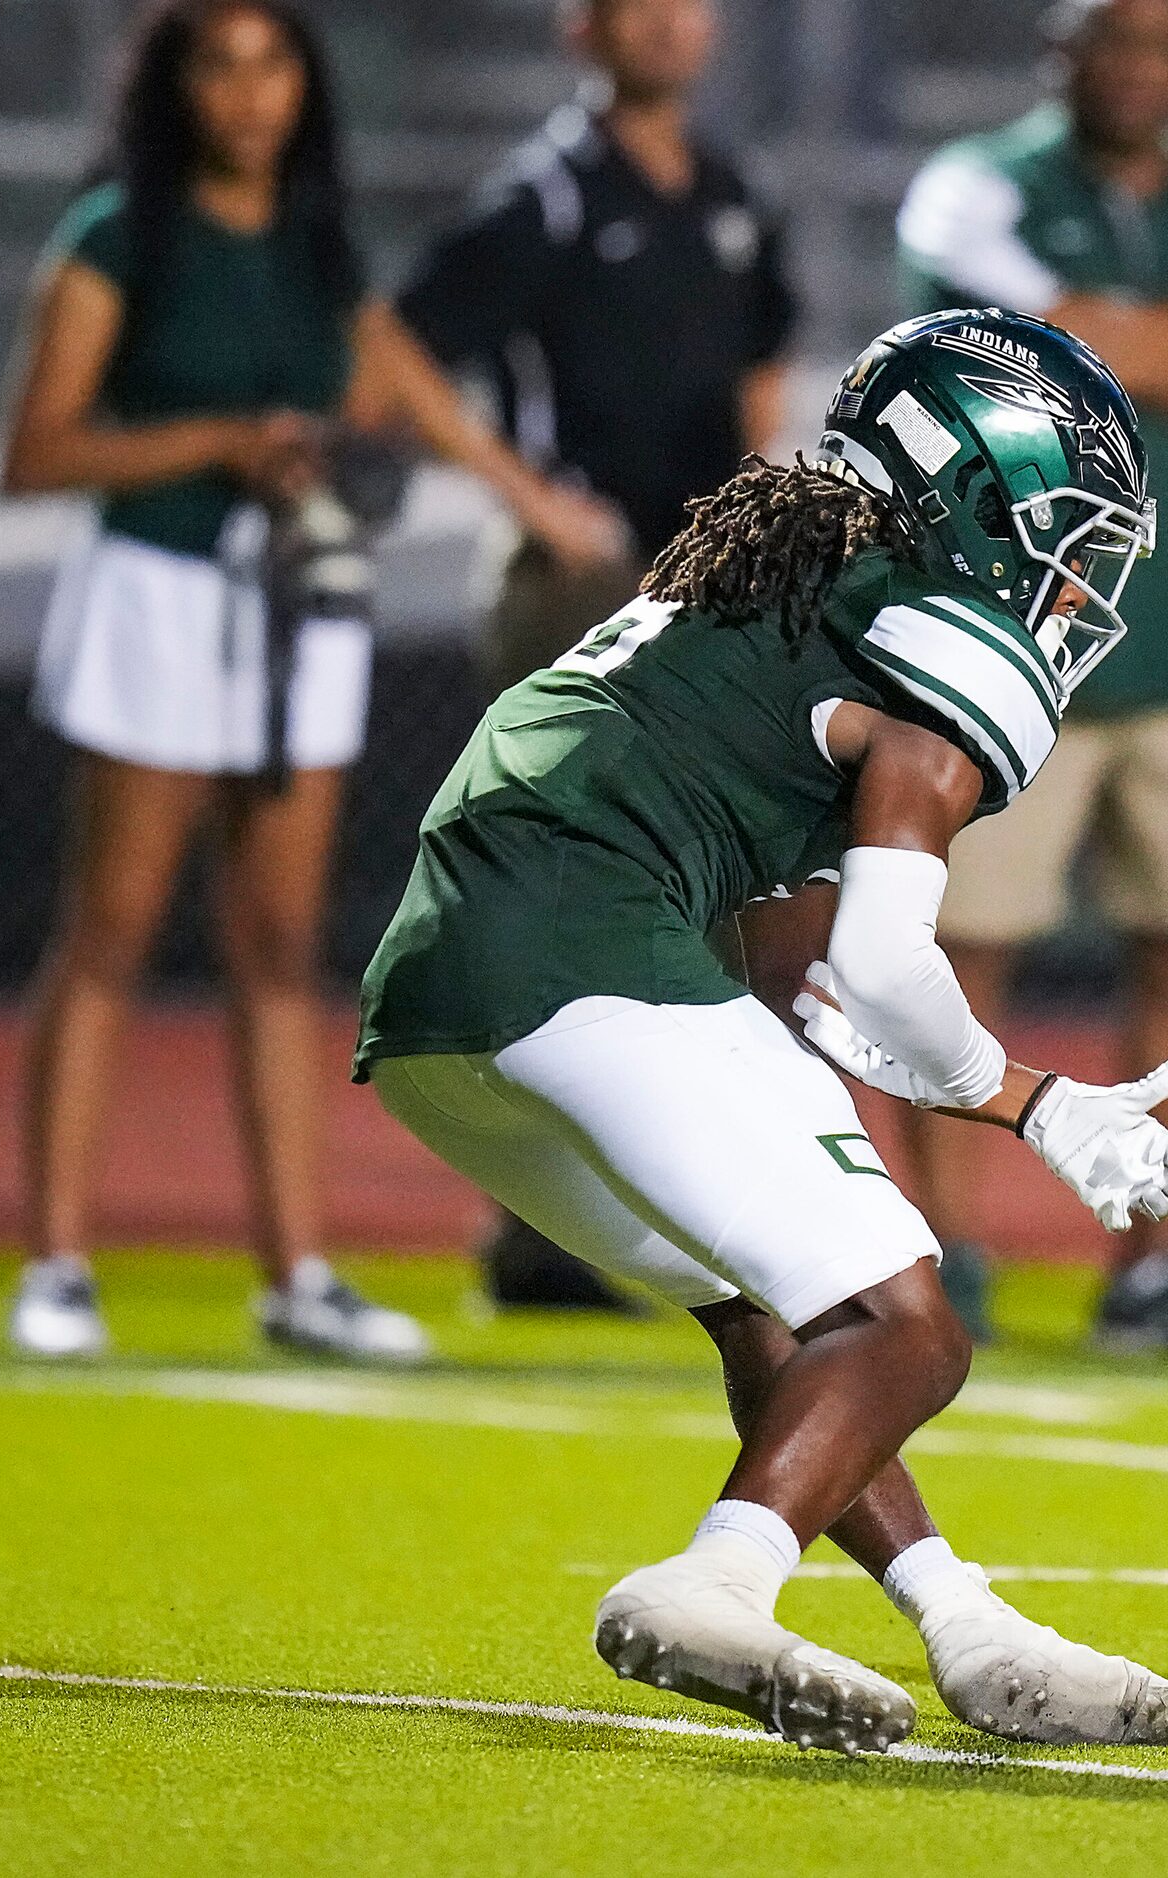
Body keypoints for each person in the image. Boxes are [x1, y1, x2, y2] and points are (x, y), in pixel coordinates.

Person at [357, 310, 1168, 1750]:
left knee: (787, 1308)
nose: (1073, 583)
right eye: (1067, 528)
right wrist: (1036, 1102)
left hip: (442, 977)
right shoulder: (949, 630)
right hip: (578, 929)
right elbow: (882, 961)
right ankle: (715, 1582)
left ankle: (970, 1625)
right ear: (979, 494)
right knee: (906, 1324)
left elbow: (738, 838)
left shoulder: (798, 565)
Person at [0, 0, 623, 1364]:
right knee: (108, 927)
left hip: (299, 603)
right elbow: (35, 450)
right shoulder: (119, 233)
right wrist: (225, 437)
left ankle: (299, 1270)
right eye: (216, 66)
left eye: (271, 63)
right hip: (158, 594)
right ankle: (54, 1263)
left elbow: (413, 398)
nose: (247, 94)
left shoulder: (320, 243)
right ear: (174, 90)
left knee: (282, 947)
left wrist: (535, 505)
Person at [892, 0, 1168, 1347]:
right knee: (962, 952)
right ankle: (943, 1250)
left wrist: (1100, 340)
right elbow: (1011, 360)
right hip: (1006, 641)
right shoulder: (976, 182)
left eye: (1165, 43)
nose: (1140, 67)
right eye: (1114, 39)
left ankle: (1152, 1263)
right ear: (1061, 54)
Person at [396, 0, 800, 1315]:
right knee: (574, 896)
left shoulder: (732, 191)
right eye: (638, 6)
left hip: (702, 592)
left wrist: (756, 512)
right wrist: (531, 498)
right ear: (585, 31)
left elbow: (761, 360)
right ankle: (544, 1227)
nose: (668, 27)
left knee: (698, 900)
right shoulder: (548, 196)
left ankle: (658, 1212)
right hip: (579, 590)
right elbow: (399, 346)